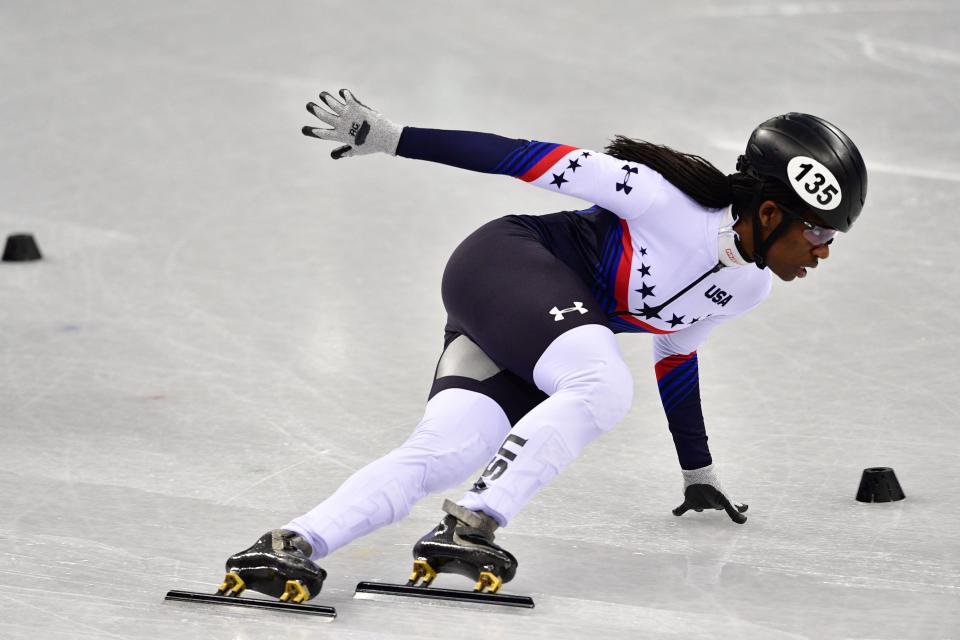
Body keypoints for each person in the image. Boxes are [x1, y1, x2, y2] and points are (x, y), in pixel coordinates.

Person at [217, 89, 868, 603]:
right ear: (771, 212)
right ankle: (473, 522)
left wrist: (697, 472)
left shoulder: (748, 290)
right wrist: (393, 138)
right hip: (503, 266)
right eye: (817, 230)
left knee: (446, 451)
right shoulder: (659, 197)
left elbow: (675, 355)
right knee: (603, 383)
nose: (824, 249)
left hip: (535, 334)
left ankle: (292, 541)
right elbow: (523, 156)